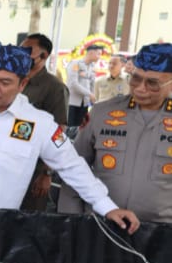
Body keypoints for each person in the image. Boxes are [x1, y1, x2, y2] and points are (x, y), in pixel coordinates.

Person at [0, 44, 140, 234]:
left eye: (4, 82)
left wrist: (107, 207)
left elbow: (72, 166)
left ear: (22, 84)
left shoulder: (39, 123)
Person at [58, 43, 172, 223]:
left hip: (160, 230)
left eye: (152, 83)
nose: (140, 88)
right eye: (135, 79)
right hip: (100, 223)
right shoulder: (101, 113)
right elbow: (75, 166)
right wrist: (71, 220)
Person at [19, 32, 69, 211]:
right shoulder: (13, 80)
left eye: (28, 50)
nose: (23, 53)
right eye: (21, 49)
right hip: (8, 162)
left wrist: (47, 172)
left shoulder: (55, 87)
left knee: (28, 219)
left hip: (35, 169)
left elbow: (59, 131)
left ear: (44, 56)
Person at [66, 44, 102, 126]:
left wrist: (93, 97)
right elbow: (73, 83)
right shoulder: (75, 64)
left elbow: (92, 83)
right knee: (69, 127)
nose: (99, 57)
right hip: (72, 102)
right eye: (98, 54)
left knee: (81, 127)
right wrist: (89, 94)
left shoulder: (92, 66)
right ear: (91, 53)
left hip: (85, 103)